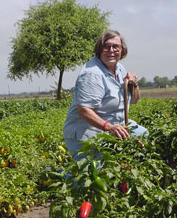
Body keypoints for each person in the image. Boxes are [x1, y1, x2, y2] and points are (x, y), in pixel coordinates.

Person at [63, 30, 148, 161]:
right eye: (106, 46)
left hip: (115, 127)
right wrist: (109, 127)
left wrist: (134, 84)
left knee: (144, 135)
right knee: (98, 175)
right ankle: (67, 178)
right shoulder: (91, 74)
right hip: (88, 133)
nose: (111, 50)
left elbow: (134, 101)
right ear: (99, 48)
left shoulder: (119, 69)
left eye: (116, 46)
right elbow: (84, 111)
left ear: (122, 49)